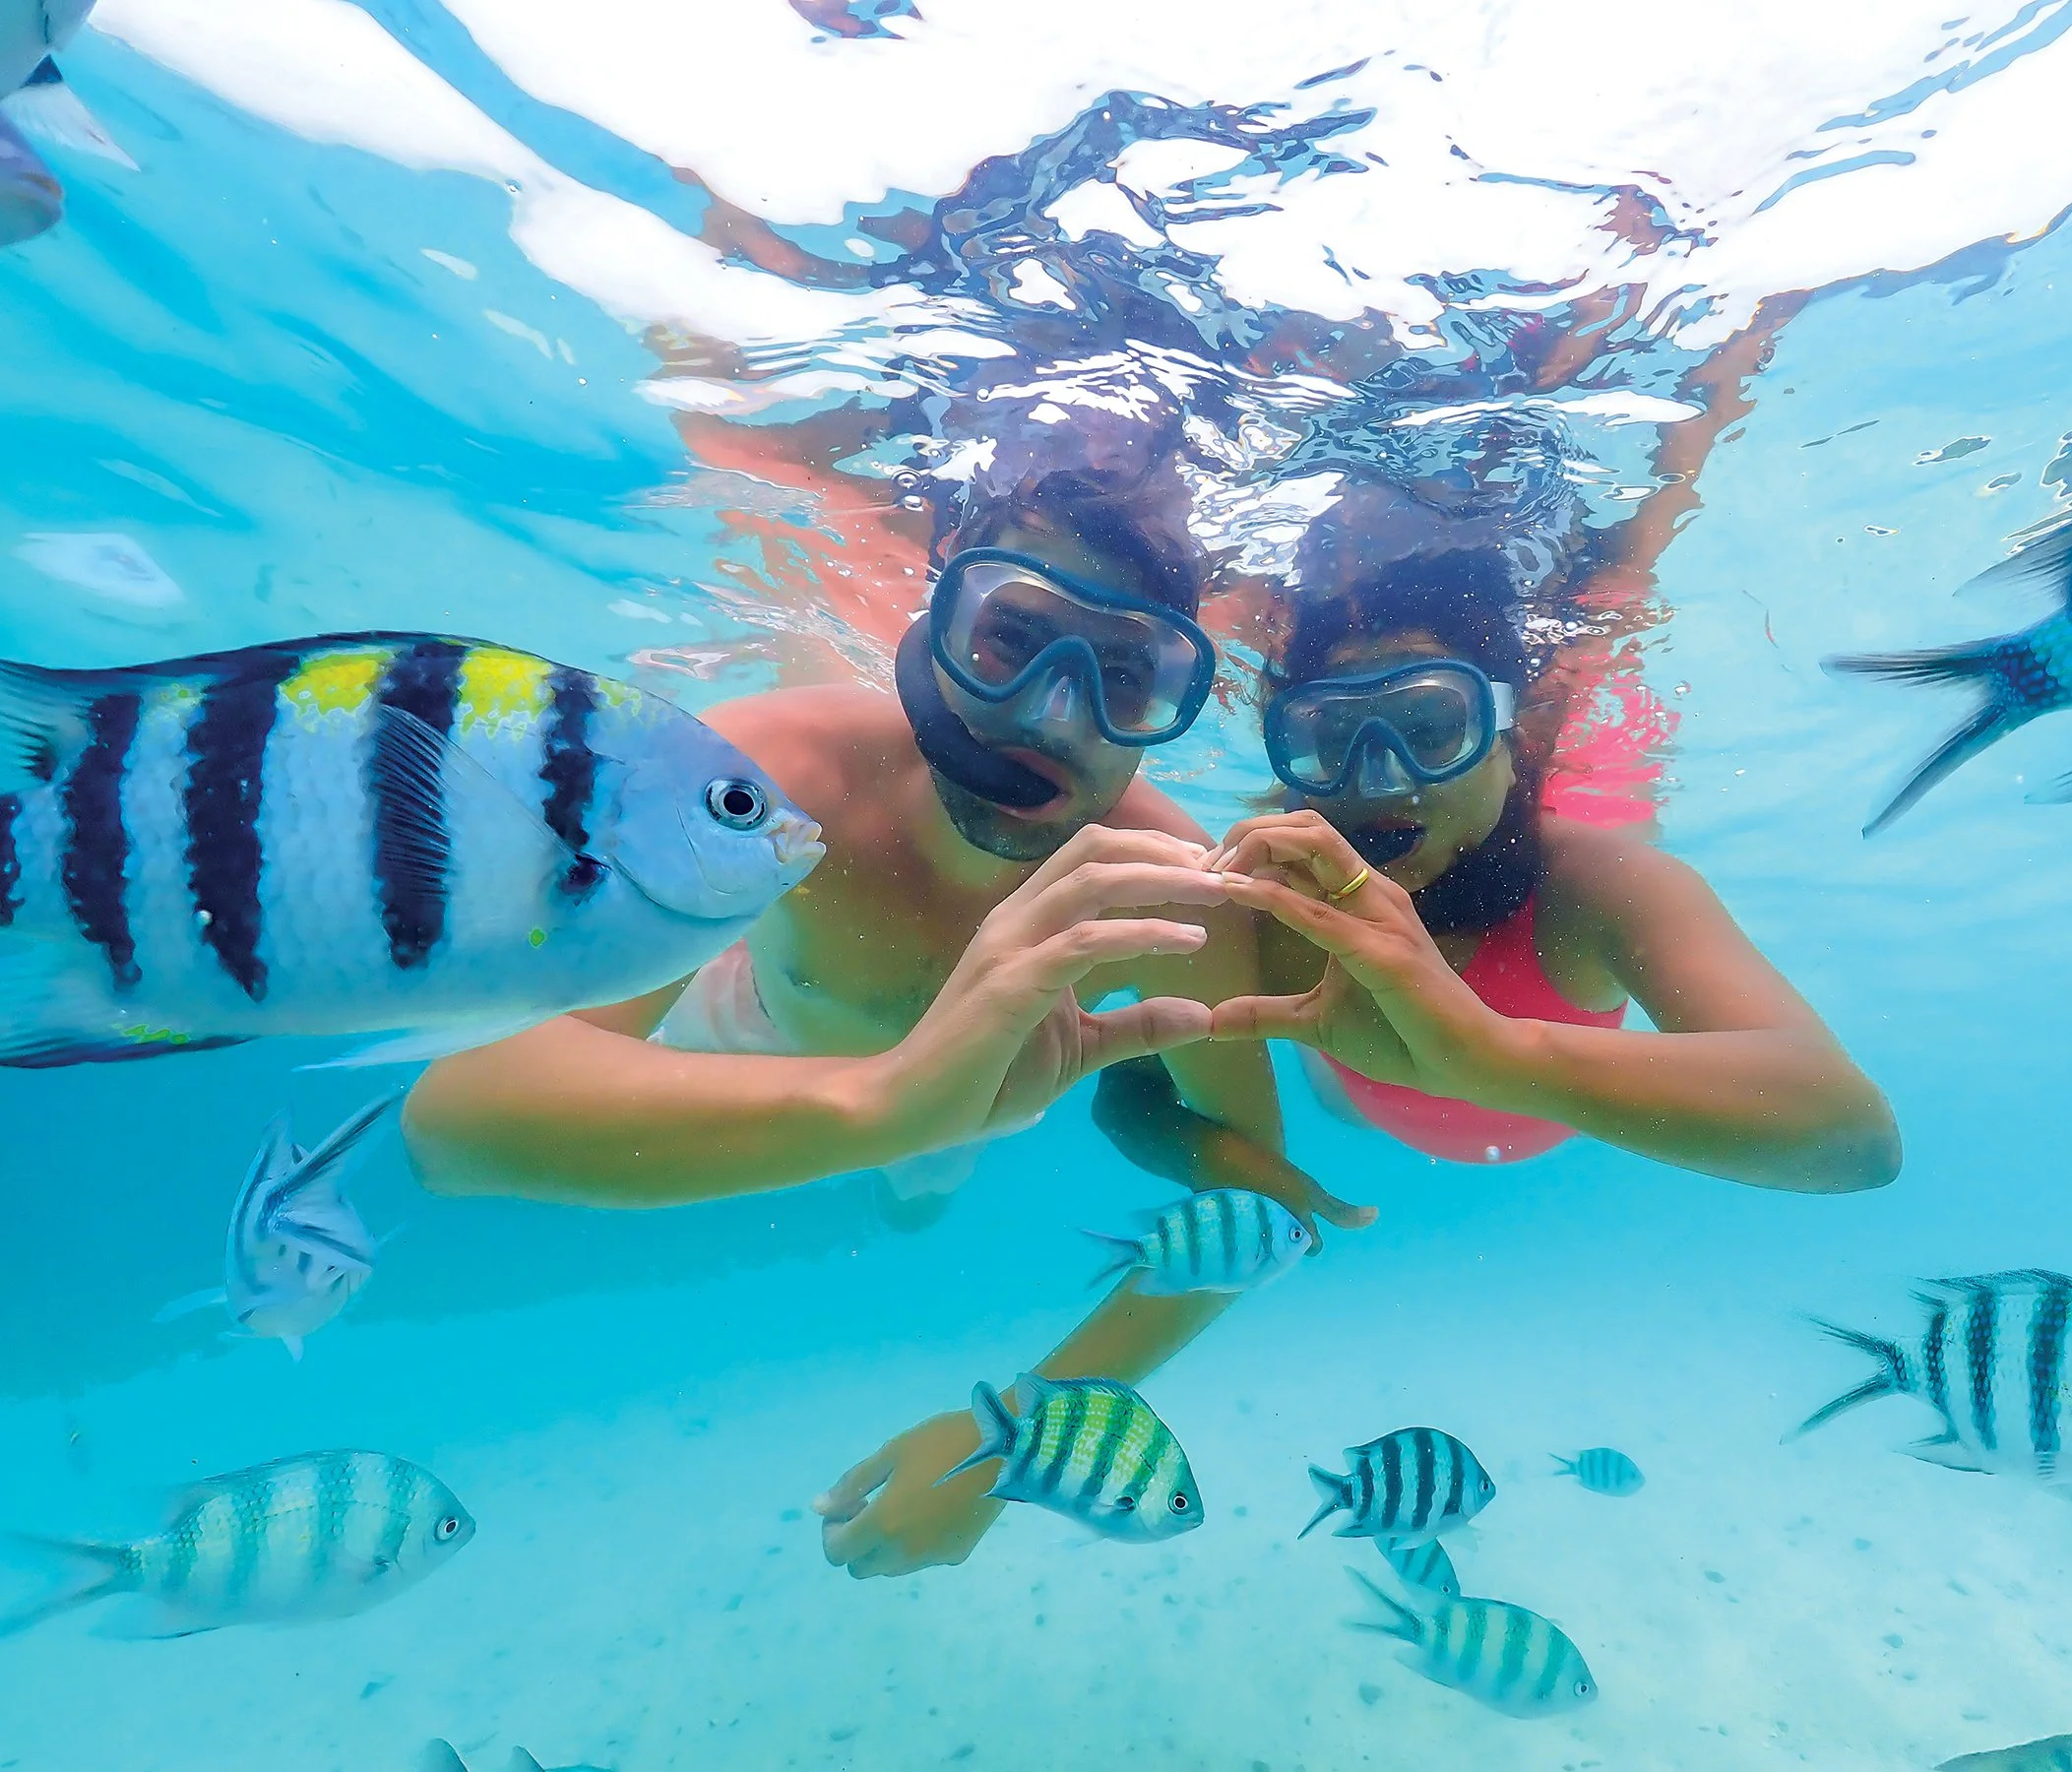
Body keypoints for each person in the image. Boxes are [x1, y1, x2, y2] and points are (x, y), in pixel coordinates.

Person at [402, 466, 1370, 1577]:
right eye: (1014, 639)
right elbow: (453, 1119)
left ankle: (905, 1176)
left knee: (916, 1198)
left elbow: (1243, 1200)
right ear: (936, 616)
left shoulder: (1169, 890)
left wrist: (1002, 1436)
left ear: (1171, 706)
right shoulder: (772, 770)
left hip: (959, 1117)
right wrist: (891, 1101)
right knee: (908, 1147)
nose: (1054, 717)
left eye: (1122, 676)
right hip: (754, 1039)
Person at [1195, 545, 1901, 1190]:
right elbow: (1131, 1094)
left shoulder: (1593, 886)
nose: (1378, 778)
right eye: (1332, 734)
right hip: (1356, 1101)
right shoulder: (1263, 897)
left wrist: (1489, 1056)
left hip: (1538, 1099)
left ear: (1520, 736)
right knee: (1338, 1094)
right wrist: (1246, 1175)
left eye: (1432, 727)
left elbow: (1856, 1138)